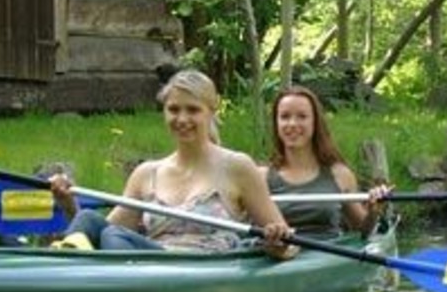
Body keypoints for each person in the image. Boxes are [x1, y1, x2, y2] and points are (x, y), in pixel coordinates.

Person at [50, 69, 295, 258]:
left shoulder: (237, 167)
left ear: (211, 111)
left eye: (193, 110)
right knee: (89, 219)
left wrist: (276, 243)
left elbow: (288, 246)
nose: (182, 119)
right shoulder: (146, 173)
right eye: (174, 109)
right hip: (148, 266)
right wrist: (68, 204)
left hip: (200, 273)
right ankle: (62, 269)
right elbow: (98, 233)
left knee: (114, 236)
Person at [263, 85, 389, 237]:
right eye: (285, 117)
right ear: (276, 124)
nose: (292, 124)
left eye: (302, 117)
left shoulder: (340, 174)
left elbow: (363, 229)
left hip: (328, 255)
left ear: (315, 123)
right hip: (277, 256)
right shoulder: (260, 177)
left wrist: (373, 211)